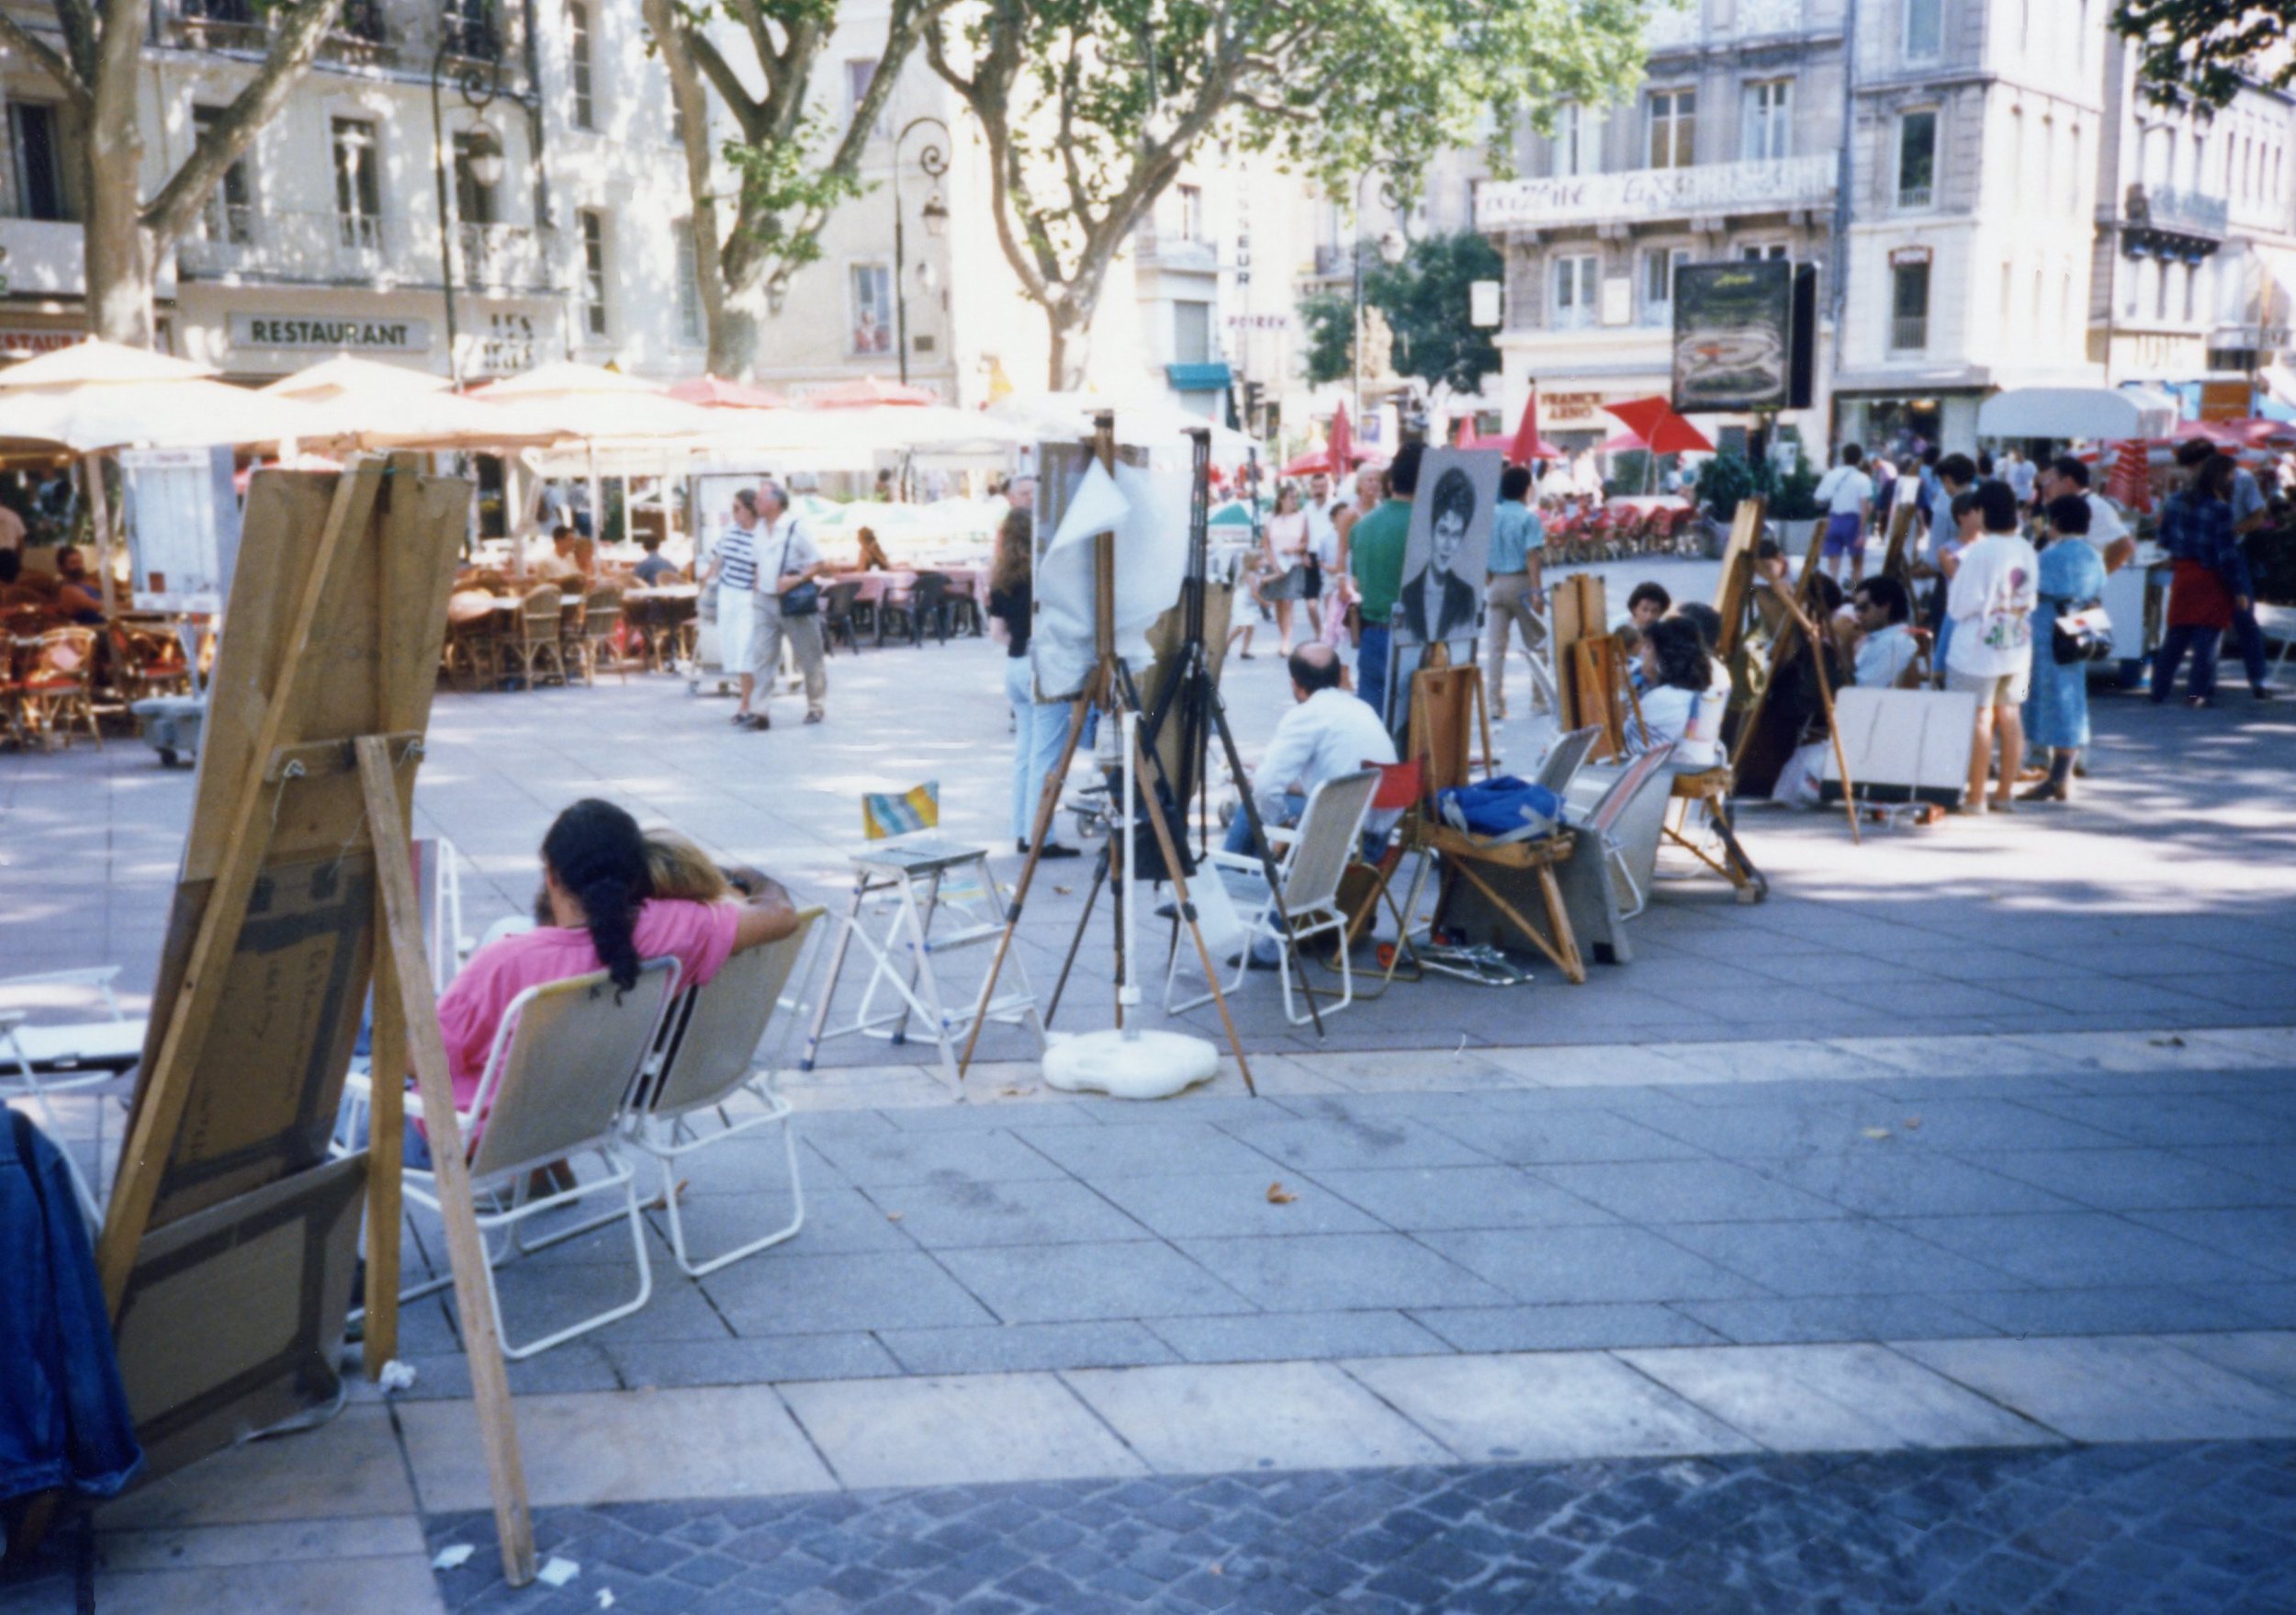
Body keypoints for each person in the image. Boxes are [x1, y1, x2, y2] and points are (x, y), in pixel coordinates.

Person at [433, 800, 801, 1138]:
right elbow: (782, 916)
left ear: (551, 876)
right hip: (585, 1111)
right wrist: (748, 876)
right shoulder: (676, 929)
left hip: (476, 1136)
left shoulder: (506, 961)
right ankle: (545, 1175)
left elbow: (418, 1060)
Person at [1223, 642, 1396, 859]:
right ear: (1338, 678)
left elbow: (1265, 790)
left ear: (1295, 684)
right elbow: (1334, 780)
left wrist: (1281, 824)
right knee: (1266, 803)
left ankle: (1225, 874)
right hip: (1375, 837)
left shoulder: (1306, 715)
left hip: (1342, 841)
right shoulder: (1362, 708)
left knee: (1254, 804)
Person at [989, 507, 1080, 860]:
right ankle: (1042, 835)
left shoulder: (1001, 577)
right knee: (1046, 756)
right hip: (1043, 666)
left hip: (1014, 664)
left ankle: (1023, 831)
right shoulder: (1045, 574)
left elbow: (998, 633)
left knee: (1026, 755)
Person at [1945, 480, 2040, 813]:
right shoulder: (2026, 547)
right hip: (2016, 642)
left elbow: (1959, 604)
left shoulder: (1981, 551)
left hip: (1978, 646)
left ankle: (1975, 798)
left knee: (1980, 718)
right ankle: (2004, 794)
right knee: (2011, 715)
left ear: (1983, 510)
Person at [2175, 438, 2279, 700]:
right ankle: (2203, 684)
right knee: (2207, 619)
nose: (2192, 473)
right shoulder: (2194, 485)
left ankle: (2259, 679)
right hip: (2202, 556)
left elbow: (2258, 516)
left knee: (2244, 616)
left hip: (2232, 551)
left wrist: (2231, 530)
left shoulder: (2242, 479)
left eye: (2194, 466)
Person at [2021, 494, 2110, 803]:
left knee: (2050, 700)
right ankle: (2063, 773)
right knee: (2070, 697)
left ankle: (2056, 776)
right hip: (2078, 630)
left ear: (2055, 522)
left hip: (2048, 631)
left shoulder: (2051, 556)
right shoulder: (2093, 555)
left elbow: (2029, 585)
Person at [2152, 450, 2251, 708]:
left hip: (2183, 573)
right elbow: (2225, 554)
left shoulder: (2174, 501)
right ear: (2220, 478)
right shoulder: (2220, 509)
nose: (2233, 479)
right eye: (2230, 475)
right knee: (2207, 639)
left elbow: (2162, 539)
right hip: (2211, 577)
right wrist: (2238, 589)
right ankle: (2196, 694)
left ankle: (2159, 689)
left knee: (2177, 634)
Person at [747, 483, 831, 728]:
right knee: (762, 656)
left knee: (808, 656)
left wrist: (795, 579)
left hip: (793, 600)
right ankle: (759, 711)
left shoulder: (796, 527)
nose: (756, 503)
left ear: (775, 502)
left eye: (760, 498)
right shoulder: (760, 528)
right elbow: (757, 563)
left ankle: (816, 705)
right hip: (765, 600)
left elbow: (820, 562)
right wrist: (756, 589)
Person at [1348, 443, 1419, 724]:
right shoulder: (1425, 526)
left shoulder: (1362, 526)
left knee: (1372, 726)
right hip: (1414, 637)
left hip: (1372, 634)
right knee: (1413, 732)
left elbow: (1358, 582)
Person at [1482, 464, 1547, 721]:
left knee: (1496, 648)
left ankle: (1495, 704)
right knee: (1536, 643)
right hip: (1521, 582)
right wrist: (1536, 591)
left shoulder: (1491, 516)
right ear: (1527, 489)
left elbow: (1481, 551)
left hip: (1496, 583)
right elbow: (1533, 556)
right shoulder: (1529, 518)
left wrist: (1490, 579)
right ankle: (1539, 699)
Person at [1625, 616, 1728, 770]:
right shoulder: (1691, 691)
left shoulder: (1665, 698)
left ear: (1664, 656)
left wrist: (1619, 693)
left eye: (1648, 647)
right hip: (1699, 763)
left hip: (1666, 775)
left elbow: (1625, 746)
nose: (1642, 653)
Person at [699, 488, 764, 728]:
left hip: (747, 598)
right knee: (735, 649)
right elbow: (718, 557)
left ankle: (749, 704)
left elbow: (760, 570)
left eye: (737, 508)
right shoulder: (732, 531)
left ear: (750, 510)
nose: (734, 513)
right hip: (728, 595)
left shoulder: (761, 535)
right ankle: (748, 703)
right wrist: (706, 578)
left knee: (746, 650)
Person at [1397, 465, 1477, 646]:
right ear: (1431, 529)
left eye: (1456, 535)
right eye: (1443, 531)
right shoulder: (1407, 593)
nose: (1448, 545)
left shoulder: (1466, 596)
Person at [2038, 455, 2135, 573]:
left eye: (2048, 482)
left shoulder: (2094, 507)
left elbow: (2124, 546)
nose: (2045, 489)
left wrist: (2097, 580)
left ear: (2067, 482)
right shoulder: (2069, 507)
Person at [1260, 483, 1312, 654]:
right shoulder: (1270, 517)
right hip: (1275, 563)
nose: (1294, 501)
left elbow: (1305, 541)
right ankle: (1283, 636)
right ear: (1282, 499)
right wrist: (1273, 563)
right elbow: (1266, 543)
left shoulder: (1302, 517)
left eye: (1296, 498)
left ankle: (1286, 642)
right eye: (1291, 498)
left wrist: (1294, 550)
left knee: (1288, 602)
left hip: (1293, 564)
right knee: (1279, 602)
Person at [1813, 444, 1875, 583]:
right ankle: (1855, 594)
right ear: (1860, 459)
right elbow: (1864, 506)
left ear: (1843, 457)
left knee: (1833, 567)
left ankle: (1832, 595)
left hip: (1834, 521)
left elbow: (1818, 499)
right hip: (1853, 522)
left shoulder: (1831, 475)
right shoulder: (1863, 478)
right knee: (1857, 565)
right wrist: (1862, 532)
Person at [1847, 575, 1921, 689]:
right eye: (1856, 609)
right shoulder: (1880, 639)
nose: (1858, 615)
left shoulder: (1896, 642)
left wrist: (1843, 644)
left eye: (1863, 608)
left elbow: (1861, 688)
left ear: (1885, 606)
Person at [1303, 471, 1339, 638]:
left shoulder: (1336, 506)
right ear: (1311, 488)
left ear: (1329, 487)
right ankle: (1318, 632)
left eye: (1322, 486)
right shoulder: (1307, 507)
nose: (1319, 490)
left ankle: (1329, 633)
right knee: (1311, 604)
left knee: (1329, 600)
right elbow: (1302, 532)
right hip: (1311, 556)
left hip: (1331, 556)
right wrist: (1303, 553)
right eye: (1315, 486)